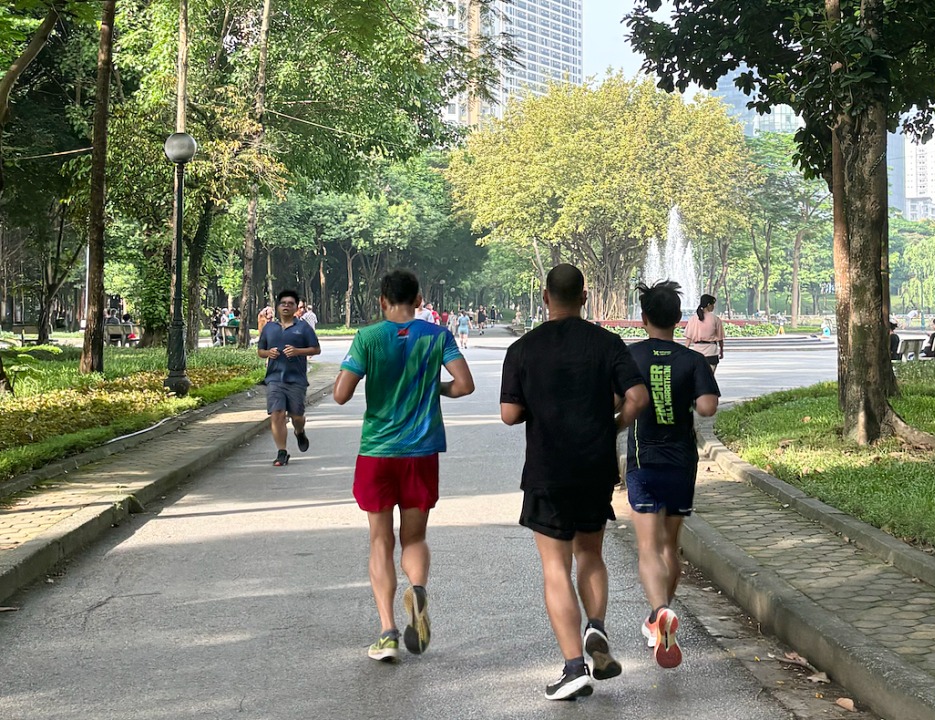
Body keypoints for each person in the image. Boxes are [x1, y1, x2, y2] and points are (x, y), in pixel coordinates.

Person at [500, 264, 650, 701]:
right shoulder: (607, 343)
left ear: (545, 297)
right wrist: (613, 425)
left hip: (547, 470)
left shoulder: (523, 349)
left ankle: (572, 668)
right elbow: (638, 397)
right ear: (584, 298)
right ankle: (596, 627)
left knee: (555, 567)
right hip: (594, 466)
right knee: (590, 554)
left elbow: (509, 414)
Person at [334, 269, 475, 664]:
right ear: (418, 300)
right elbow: (464, 385)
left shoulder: (367, 338)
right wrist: (434, 387)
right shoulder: (437, 336)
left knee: (380, 540)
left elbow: (341, 394)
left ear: (382, 301)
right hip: (421, 453)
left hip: (377, 453)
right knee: (414, 538)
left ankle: (387, 632)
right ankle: (418, 589)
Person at [626, 281, 720, 669]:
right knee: (670, 545)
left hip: (643, 461)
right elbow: (707, 407)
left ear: (643, 318)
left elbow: (616, 402)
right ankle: (661, 614)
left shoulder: (630, 356)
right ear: (678, 319)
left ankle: (659, 613)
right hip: (681, 461)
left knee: (648, 547)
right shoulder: (692, 360)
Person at [256, 290, 321, 467]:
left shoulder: (303, 328)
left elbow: (316, 349)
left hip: (296, 379)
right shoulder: (269, 328)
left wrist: (298, 351)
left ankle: (299, 431)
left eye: (290, 304)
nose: (286, 306)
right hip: (274, 379)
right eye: (283, 303)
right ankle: (282, 452)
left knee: (296, 416)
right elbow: (260, 351)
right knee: (277, 414)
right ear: (278, 307)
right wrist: (268, 353)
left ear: (296, 308)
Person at [684, 294, 725, 373]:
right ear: (709, 305)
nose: (713, 307)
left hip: (697, 352)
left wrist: (685, 352)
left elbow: (688, 339)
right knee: (709, 377)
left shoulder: (693, 319)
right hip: (711, 352)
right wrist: (721, 351)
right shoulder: (715, 319)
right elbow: (720, 338)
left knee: (698, 377)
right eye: (713, 305)